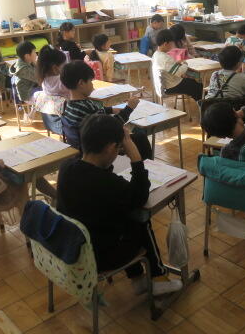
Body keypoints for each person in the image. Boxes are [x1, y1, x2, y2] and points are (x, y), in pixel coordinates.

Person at [56, 115, 182, 296]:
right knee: (141, 221)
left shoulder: (66, 167)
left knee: (124, 217)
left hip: (73, 246)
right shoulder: (108, 184)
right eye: (118, 148)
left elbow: (100, 181)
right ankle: (159, 278)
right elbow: (140, 195)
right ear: (110, 148)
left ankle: (137, 278)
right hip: (99, 257)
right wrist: (135, 157)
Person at [60, 60, 152, 158]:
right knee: (140, 136)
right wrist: (129, 108)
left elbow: (95, 113)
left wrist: (110, 109)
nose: (93, 85)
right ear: (81, 83)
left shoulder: (68, 105)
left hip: (84, 148)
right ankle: (142, 165)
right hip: (99, 150)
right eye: (91, 81)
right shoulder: (88, 108)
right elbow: (112, 128)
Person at [152, 29, 203, 101]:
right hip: (172, 86)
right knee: (198, 86)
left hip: (167, 84)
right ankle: (202, 104)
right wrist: (185, 63)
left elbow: (170, 67)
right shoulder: (165, 59)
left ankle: (200, 101)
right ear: (165, 44)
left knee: (193, 82)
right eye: (172, 43)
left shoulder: (156, 54)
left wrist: (177, 64)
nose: (173, 45)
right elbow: (180, 72)